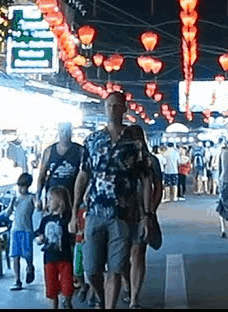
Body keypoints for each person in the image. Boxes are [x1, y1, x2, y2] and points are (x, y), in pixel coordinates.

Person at [72, 91, 141, 310]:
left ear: (124, 109)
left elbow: (146, 177)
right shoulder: (92, 140)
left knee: (116, 268)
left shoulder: (134, 141)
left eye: (116, 106)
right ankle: (101, 298)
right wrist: (75, 211)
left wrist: (148, 213)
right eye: (109, 106)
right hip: (94, 212)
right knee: (91, 269)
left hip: (122, 214)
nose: (112, 110)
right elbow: (83, 175)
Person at [118, 124, 161, 310]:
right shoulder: (119, 160)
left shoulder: (151, 161)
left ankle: (135, 297)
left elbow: (158, 187)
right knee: (121, 255)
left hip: (142, 213)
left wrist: (150, 211)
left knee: (137, 254)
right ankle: (127, 285)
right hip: (121, 213)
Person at [37, 186, 76, 309]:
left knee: (67, 284)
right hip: (49, 257)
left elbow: (72, 235)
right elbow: (39, 234)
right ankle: (54, 306)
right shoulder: (45, 219)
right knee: (51, 286)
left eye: (50, 199)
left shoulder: (67, 218)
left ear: (60, 201)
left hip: (65, 257)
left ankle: (68, 302)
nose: (48, 202)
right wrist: (40, 239)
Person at [38, 123, 84, 207]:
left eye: (67, 131)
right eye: (62, 131)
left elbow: (85, 174)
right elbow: (42, 175)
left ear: (71, 132)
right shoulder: (49, 151)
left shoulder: (80, 150)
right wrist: (38, 197)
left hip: (72, 197)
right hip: (52, 198)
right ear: (58, 132)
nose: (65, 134)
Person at [10, 172, 38, 291]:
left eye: (23, 186)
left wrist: (39, 203)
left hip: (27, 230)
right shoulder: (16, 199)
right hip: (15, 229)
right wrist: (11, 203)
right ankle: (17, 280)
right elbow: (7, 213)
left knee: (27, 255)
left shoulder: (31, 197)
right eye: (19, 186)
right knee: (15, 256)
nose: (21, 189)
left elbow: (38, 206)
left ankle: (30, 267)